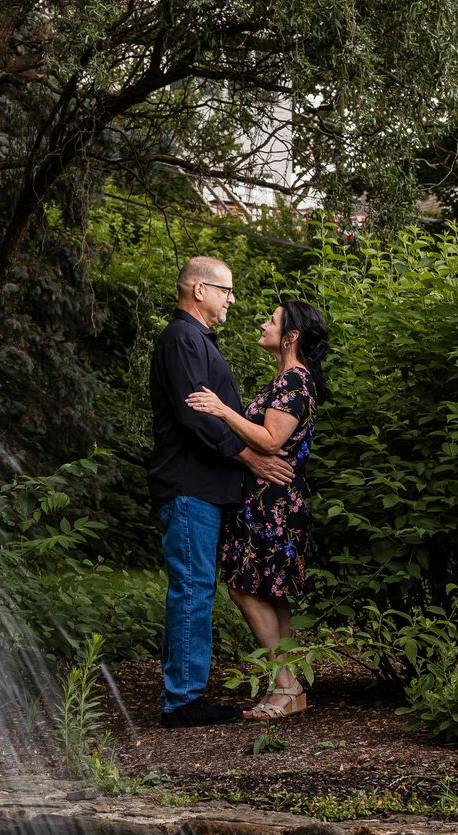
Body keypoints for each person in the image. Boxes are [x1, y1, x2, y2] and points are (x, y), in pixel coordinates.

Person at [149, 258, 295, 728]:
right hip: (189, 485)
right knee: (192, 590)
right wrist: (251, 458)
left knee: (196, 588)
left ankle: (184, 694)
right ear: (199, 290)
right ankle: (182, 701)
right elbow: (197, 416)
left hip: (204, 487)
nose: (231, 299)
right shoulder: (183, 339)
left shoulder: (196, 340)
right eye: (226, 290)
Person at [184, 300, 330, 719]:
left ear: (291, 337)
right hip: (269, 499)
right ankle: (290, 687)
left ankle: (285, 684)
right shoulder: (287, 379)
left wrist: (221, 410)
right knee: (270, 590)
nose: (263, 324)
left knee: (243, 588)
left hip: (273, 502)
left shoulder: (294, 381)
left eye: (272, 320)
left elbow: (270, 440)